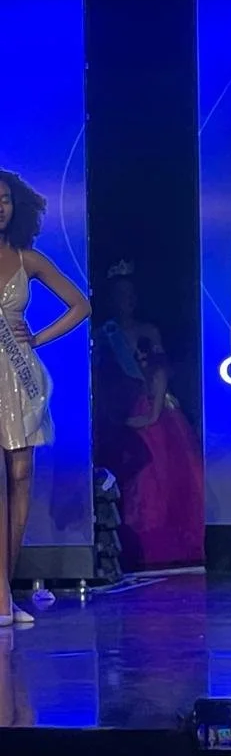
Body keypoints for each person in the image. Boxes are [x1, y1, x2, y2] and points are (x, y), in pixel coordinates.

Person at [0, 169, 90, 627]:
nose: (0, 207)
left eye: (5, 200)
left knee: (19, 477)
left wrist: (36, 339)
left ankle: (5, 591)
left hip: (17, 377)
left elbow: (80, 304)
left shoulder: (25, 259)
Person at [93, 264, 205, 569]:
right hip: (121, 412)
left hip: (153, 410)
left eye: (130, 294)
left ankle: (165, 548)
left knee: (163, 478)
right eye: (119, 295)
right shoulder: (105, 335)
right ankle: (133, 548)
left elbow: (159, 371)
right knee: (134, 483)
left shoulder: (148, 331)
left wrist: (153, 412)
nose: (125, 300)